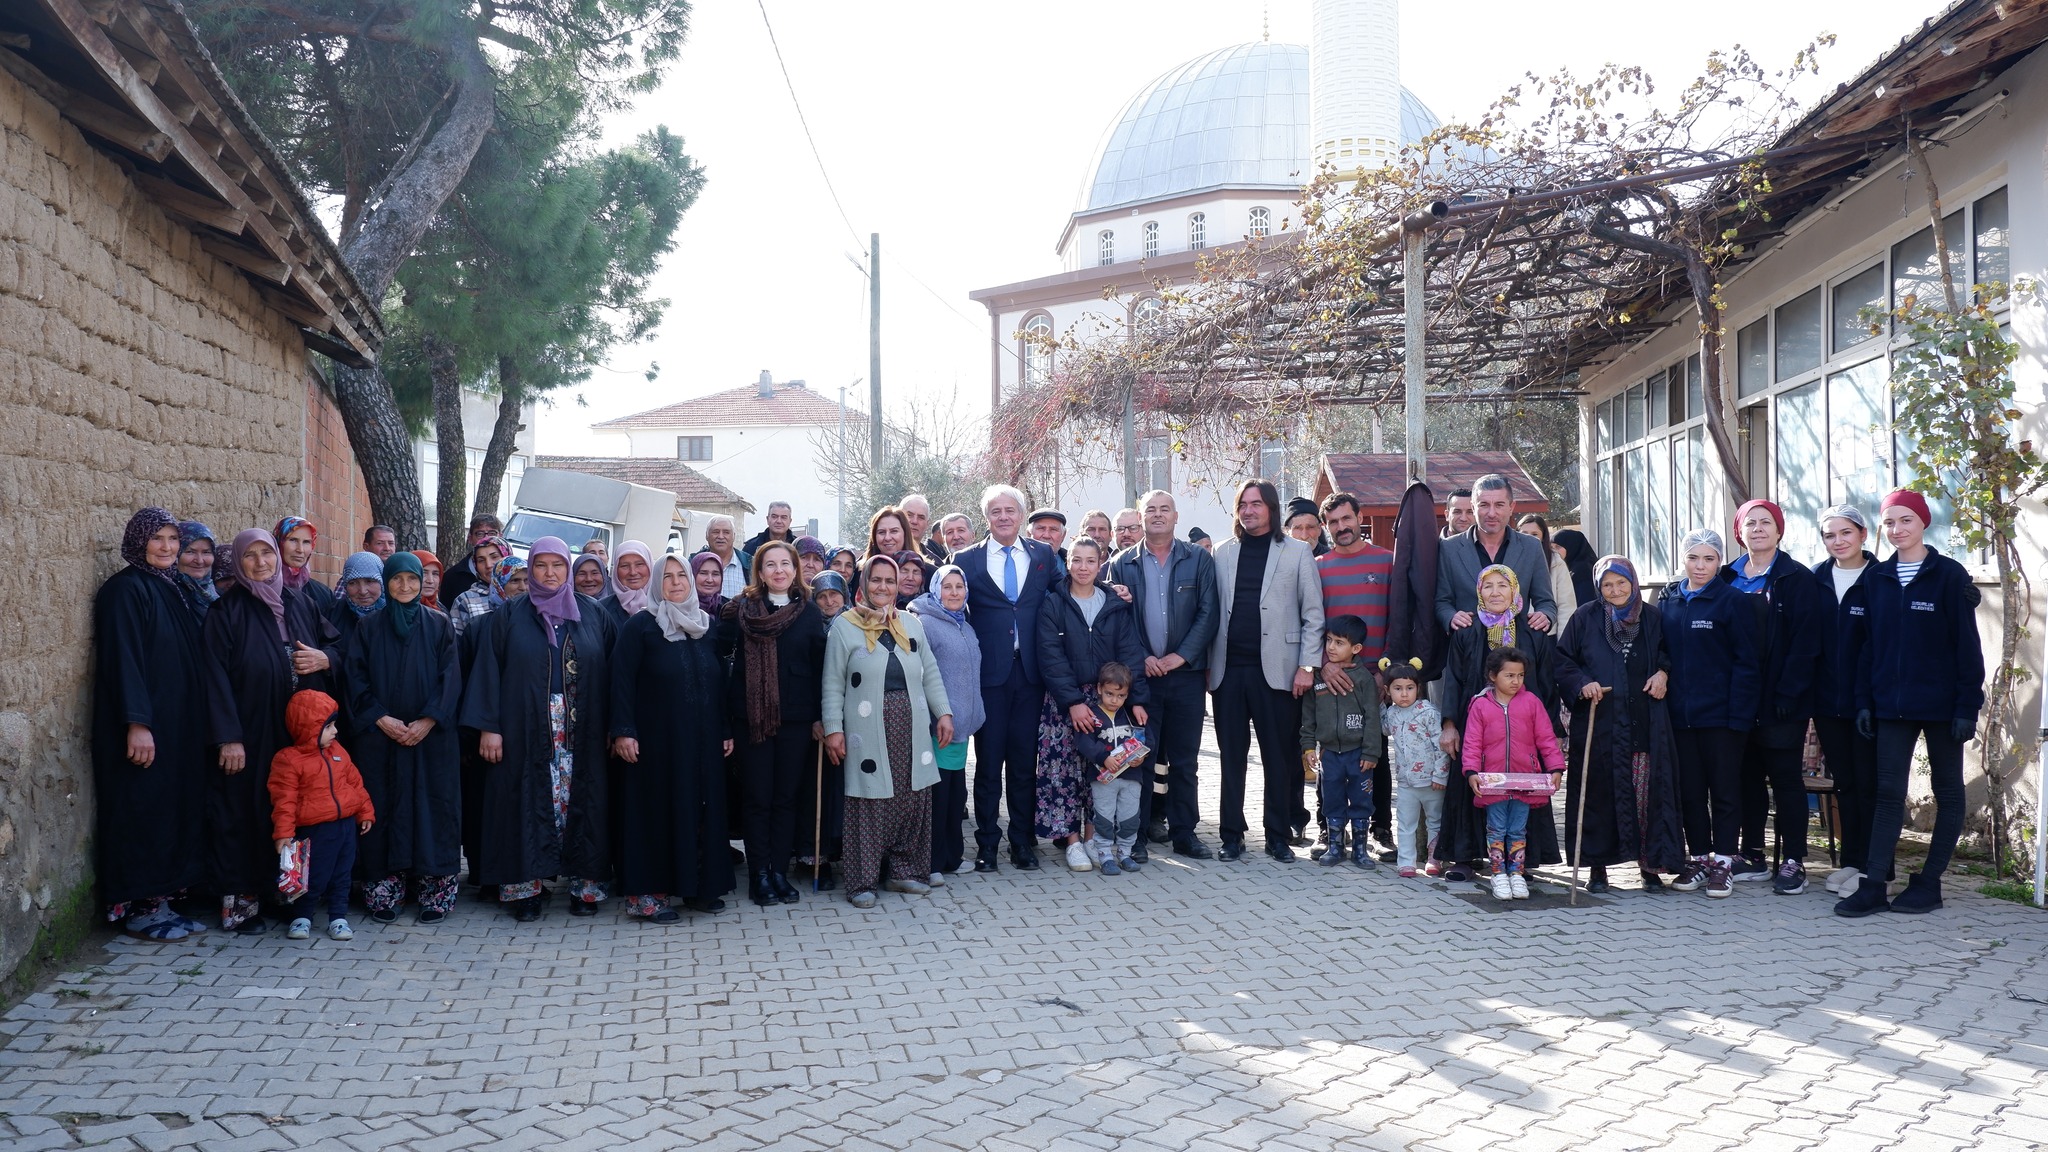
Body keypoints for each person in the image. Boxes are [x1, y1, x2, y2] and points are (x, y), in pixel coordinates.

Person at [1837, 490, 1985, 917]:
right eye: (1889, 523)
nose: (1897, 530)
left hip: (1942, 708)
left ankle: (1929, 883)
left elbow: (1967, 648)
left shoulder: (1949, 576)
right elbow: (1867, 648)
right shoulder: (1876, 579)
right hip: (1890, 706)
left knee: (1948, 793)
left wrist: (1966, 707)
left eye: (1906, 521)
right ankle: (1873, 885)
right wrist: (1864, 701)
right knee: (1888, 793)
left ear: (1923, 523)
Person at [460, 536, 619, 922]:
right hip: (522, 728)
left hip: (584, 729)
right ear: (530, 569)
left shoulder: (593, 614)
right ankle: (525, 889)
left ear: (569, 568)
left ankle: (586, 887)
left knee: (585, 802)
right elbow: (487, 674)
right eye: (542, 566)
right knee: (523, 803)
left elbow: (616, 673)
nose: (550, 573)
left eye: (558, 565)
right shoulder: (509, 616)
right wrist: (489, 728)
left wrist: (618, 727)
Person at [202, 528, 341, 933]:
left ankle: (288, 895)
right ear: (240, 562)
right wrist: (229, 737)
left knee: (294, 812)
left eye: (267, 554)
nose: (261, 562)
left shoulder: (299, 602)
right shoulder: (226, 612)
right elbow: (214, 679)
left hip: (297, 732)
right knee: (244, 814)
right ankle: (243, 905)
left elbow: (339, 646)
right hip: (251, 732)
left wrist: (324, 659)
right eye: (251, 556)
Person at [94, 508, 211, 941]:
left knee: (170, 811)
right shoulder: (124, 591)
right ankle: (140, 908)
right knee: (142, 812)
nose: (167, 548)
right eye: (157, 539)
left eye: (172, 539)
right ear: (139, 541)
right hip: (143, 729)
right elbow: (124, 660)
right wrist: (136, 723)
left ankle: (162, 902)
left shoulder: (171, 588)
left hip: (175, 726)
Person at [822, 555, 954, 908]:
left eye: (889, 581)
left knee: (912, 797)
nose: (883, 587)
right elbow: (833, 683)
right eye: (876, 580)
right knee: (868, 799)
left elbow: (930, 673)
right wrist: (834, 729)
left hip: (911, 723)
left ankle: (904, 871)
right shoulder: (844, 626)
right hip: (866, 728)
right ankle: (862, 882)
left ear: (898, 586)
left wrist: (943, 713)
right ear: (863, 584)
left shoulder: (911, 624)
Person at [611, 554, 735, 920]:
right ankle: (648, 897)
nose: (677, 582)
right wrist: (623, 731)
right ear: (656, 585)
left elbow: (720, 682)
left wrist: (726, 729)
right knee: (655, 812)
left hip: (702, 740)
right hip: (655, 743)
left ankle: (697, 888)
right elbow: (620, 681)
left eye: (682, 575)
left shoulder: (707, 626)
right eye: (668, 577)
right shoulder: (641, 627)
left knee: (699, 809)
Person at [1553, 556, 1687, 893]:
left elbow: (1667, 655)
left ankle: (1650, 867)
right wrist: (1582, 682)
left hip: (1644, 721)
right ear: (1599, 587)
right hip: (1600, 723)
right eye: (1607, 584)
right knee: (1599, 794)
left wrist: (1662, 673)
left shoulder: (1652, 617)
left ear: (1633, 582)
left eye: (1621, 583)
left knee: (1646, 795)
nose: (1615, 590)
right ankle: (1598, 869)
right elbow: (1563, 661)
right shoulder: (1585, 617)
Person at [1208, 479, 1325, 862]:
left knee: (1278, 757)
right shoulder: (1222, 553)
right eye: (1243, 503)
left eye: (1256, 503)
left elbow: (1313, 615)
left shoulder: (1295, 552)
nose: (1249, 510)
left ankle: (1277, 834)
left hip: (1279, 671)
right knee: (1231, 757)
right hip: (1228, 672)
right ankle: (1231, 834)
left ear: (1271, 509)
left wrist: (1308, 665)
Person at [342, 552, 461, 925]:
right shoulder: (369, 628)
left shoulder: (439, 626)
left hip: (430, 740)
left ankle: (434, 893)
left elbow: (450, 678)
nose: (406, 587)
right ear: (387, 582)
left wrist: (428, 720)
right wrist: (381, 718)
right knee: (382, 809)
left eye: (413, 579)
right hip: (381, 740)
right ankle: (384, 892)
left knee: (432, 809)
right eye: (397, 580)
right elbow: (354, 680)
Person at [1107, 489, 1219, 860]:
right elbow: (1115, 619)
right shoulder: (1122, 564)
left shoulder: (1199, 559)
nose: (1157, 515)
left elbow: (1208, 613)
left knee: (1185, 760)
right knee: (1138, 757)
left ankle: (1185, 833)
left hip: (1186, 676)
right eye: (1150, 510)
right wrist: (1143, 659)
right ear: (1140, 518)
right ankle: (1134, 838)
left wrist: (1179, 657)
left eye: (1164, 509)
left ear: (1175, 516)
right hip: (1140, 679)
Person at [954, 484, 1060, 870]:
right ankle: (986, 845)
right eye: (995, 511)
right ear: (987, 517)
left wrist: (1109, 590)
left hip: (1031, 677)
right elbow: (948, 602)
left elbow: (1066, 592)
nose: (1003, 517)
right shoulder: (967, 558)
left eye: (1009, 510)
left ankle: (1021, 842)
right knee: (986, 765)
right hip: (988, 678)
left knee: (1022, 764)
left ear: (1020, 515)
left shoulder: (1043, 555)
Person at [1435, 564, 1563, 881]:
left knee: (1522, 792)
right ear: (1479, 592)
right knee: (1470, 787)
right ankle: (1465, 857)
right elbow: (1452, 680)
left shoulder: (1533, 632)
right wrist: (1450, 724)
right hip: (1475, 727)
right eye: (1488, 586)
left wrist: (1554, 733)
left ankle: (1520, 861)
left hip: (1522, 730)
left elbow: (1547, 684)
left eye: (1502, 586)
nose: (1495, 592)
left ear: (1515, 591)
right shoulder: (1465, 631)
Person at [1722, 498, 1823, 893]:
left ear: (1779, 531)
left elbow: (1806, 642)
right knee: (1746, 779)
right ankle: (1753, 855)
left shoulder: (1796, 578)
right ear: (1740, 532)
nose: (1759, 529)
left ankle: (1794, 859)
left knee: (1785, 781)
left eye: (1767, 523)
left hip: (1783, 699)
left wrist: (1789, 690)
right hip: (1739, 699)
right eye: (1751, 523)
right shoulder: (1726, 577)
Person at [720, 540, 828, 906]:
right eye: (771, 565)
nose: (779, 570)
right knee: (757, 799)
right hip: (751, 720)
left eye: (786, 564)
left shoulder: (810, 613)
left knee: (785, 798)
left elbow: (820, 672)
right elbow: (724, 667)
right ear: (760, 572)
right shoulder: (742, 612)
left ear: (796, 569)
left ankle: (779, 872)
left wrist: (819, 718)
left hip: (796, 722)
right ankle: (759, 875)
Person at [1036, 536, 1151, 871]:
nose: (1083, 567)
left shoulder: (1114, 603)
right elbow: (1050, 656)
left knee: (1100, 769)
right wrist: (1072, 702)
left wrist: (1138, 698)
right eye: (1076, 560)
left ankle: (1092, 837)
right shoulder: (1053, 603)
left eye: (1090, 561)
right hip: (1064, 701)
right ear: (1067, 563)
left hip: (1106, 700)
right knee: (1063, 772)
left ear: (1101, 564)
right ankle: (1070, 840)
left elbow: (1131, 653)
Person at [1660, 529, 1762, 900]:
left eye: (1709, 559)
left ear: (1720, 562)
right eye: (1693, 558)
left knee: (1724, 792)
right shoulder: (1669, 599)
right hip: (1680, 717)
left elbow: (1747, 663)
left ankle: (1723, 862)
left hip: (1722, 718)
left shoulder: (1733, 601)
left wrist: (1739, 717)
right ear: (1683, 559)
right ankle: (1699, 859)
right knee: (1690, 792)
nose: (1700, 566)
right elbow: (1662, 653)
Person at [1315, 492, 1395, 854]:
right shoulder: (1318, 567)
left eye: (1346, 519)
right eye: (1333, 522)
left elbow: (1399, 620)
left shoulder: (1387, 562)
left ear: (1359, 516)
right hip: (1331, 678)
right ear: (1325, 526)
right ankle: (1328, 829)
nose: (1341, 527)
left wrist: (1385, 673)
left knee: (1374, 751)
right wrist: (1324, 663)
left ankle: (1380, 830)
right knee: (1330, 752)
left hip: (1375, 677)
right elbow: (1311, 622)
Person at [267, 689, 374, 941]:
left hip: (346, 826)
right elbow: (284, 800)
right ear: (308, 728)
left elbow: (356, 784)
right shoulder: (289, 760)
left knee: (342, 875)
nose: (335, 731)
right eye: (329, 726)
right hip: (315, 831)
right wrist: (283, 833)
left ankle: (338, 918)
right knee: (311, 877)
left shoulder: (339, 752)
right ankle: (301, 917)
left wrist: (365, 811)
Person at [1811, 505, 1879, 898]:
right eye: (1829, 535)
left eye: (1845, 533)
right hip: (1826, 701)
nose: (1838, 541)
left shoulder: (1881, 578)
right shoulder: (1816, 579)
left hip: (1868, 703)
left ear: (1863, 534)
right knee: (1846, 785)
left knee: (1871, 784)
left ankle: (1876, 865)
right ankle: (1853, 859)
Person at [1461, 647, 1564, 901]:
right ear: (1493, 675)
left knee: (1518, 829)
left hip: (1525, 781)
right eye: (1509, 675)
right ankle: (1498, 874)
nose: (1516, 681)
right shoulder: (1480, 705)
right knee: (1496, 828)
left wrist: (1556, 767)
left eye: (1520, 675)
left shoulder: (1532, 703)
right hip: (1493, 782)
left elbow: (1546, 738)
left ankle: (1516, 873)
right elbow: (1472, 741)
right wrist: (1471, 770)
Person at [908, 564, 985, 880]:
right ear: (935, 589)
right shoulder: (924, 623)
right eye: (947, 586)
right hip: (937, 728)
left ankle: (952, 857)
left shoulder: (965, 625)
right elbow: (921, 674)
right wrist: (938, 713)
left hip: (961, 731)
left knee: (955, 797)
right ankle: (931, 863)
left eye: (959, 586)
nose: (954, 593)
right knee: (936, 800)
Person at [1299, 615, 1381, 868]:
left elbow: (1372, 718)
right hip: (1329, 754)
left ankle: (1359, 850)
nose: (1331, 648)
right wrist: (1309, 747)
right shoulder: (1319, 678)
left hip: (1358, 755)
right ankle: (1335, 847)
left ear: (1356, 649)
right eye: (1329, 641)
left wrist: (1370, 753)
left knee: (1361, 800)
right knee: (1331, 799)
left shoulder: (1364, 679)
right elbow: (1308, 717)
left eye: (1339, 643)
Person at [1436, 475, 1557, 635]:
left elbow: (1546, 601)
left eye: (1499, 505)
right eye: (1484, 505)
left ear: (1511, 507)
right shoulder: (1449, 548)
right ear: (1473, 506)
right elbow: (1441, 601)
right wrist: (1451, 617)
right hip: (1466, 646)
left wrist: (1545, 615)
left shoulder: (1531, 547)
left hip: (1517, 651)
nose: (1492, 513)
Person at [1070, 662, 1147, 875]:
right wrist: (1103, 758)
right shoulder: (1092, 715)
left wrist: (1140, 757)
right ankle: (1104, 854)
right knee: (1103, 817)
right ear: (1099, 689)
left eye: (1121, 696)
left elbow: (1145, 739)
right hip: (1103, 778)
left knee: (1130, 817)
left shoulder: (1131, 714)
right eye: (1110, 694)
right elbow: (1084, 742)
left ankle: (1125, 853)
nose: (1115, 700)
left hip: (1131, 776)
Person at [1379, 659, 1446, 878]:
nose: (1404, 694)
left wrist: (1441, 775)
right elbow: (1385, 730)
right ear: (1388, 691)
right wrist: (1378, 705)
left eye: (1410, 688)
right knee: (1406, 822)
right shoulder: (1392, 713)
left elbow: (1441, 745)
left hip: (1431, 781)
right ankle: (1406, 862)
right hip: (1406, 782)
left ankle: (1435, 859)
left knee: (1435, 820)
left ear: (1418, 688)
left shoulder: (1428, 712)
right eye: (1398, 689)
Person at [1516, 513, 1579, 623]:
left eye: (1534, 534)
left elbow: (1566, 605)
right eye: (1524, 533)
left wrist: (1564, 638)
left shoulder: (1555, 562)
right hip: (1514, 631)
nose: (1529, 538)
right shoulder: (1510, 559)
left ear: (1543, 537)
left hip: (1547, 630)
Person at [446, 536, 508, 635]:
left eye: (494, 557)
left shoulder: (523, 592)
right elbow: (455, 644)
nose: (488, 565)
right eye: (481, 560)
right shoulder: (465, 600)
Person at [275, 515, 336, 616]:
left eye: (306, 542)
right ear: (278, 542)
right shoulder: (263, 590)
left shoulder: (323, 595)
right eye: (293, 540)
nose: (300, 550)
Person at [440, 514, 505, 603]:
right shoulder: (452, 577)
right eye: (480, 534)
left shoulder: (517, 576)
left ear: (501, 536)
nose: (486, 538)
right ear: (470, 538)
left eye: (492, 533)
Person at [332, 551, 386, 658]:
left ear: (382, 581)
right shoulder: (333, 615)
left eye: (370, 581)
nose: (362, 591)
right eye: (353, 583)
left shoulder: (395, 615)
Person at [174, 520, 220, 621]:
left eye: (206, 552)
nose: (199, 561)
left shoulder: (220, 596)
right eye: (190, 552)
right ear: (176, 553)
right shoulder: (169, 595)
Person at [601, 540, 655, 625]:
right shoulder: (602, 608)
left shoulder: (665, 606)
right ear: (616, 570)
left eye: (639, 564)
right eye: (624, 566)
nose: (632, 572)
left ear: (650, 566)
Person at [1552, 528, 1599, 611]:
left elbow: (1584, 606)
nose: (1553, 551)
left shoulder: (1582, 571)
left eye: (1558, 547)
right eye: (1551, 547)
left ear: (1572, 547)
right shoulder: (1570, 567)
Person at [703, 515, 748, 597]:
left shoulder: (749, 564)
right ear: (707, 535)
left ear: (733, 536)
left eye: (726, 532)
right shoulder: (694, 564)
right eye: (716, 532)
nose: (720, 536)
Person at [689, 550, 728, 617]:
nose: (710, 580)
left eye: (715, 574)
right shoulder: (682, 607)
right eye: (703, 573)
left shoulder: (729, 609)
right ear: (693, 575)